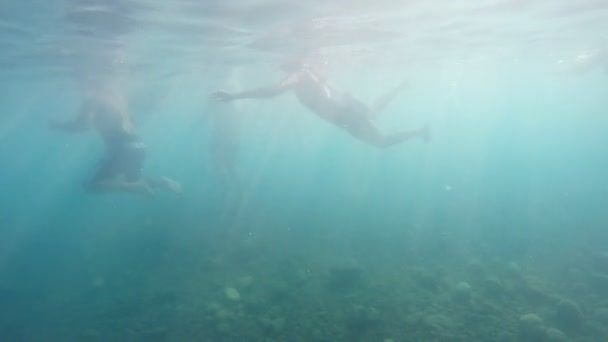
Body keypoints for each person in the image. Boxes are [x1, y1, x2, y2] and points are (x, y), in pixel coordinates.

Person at [210, 52, 429, 148]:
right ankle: (401, 90)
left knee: (381, 141)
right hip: (345, 109)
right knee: (372, 114)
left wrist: (235, 96)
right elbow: (325, 89)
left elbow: (273, 92)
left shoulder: (298, 75)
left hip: (344, 114)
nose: (279, 64)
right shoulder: (308, 71)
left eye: (282, 60)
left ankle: (419, 130)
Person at [49, 86, 182, 197]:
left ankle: (135, 187)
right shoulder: (117, 96)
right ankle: (163, 183)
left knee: (92, 185)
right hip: (138, 145)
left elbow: (82, 126)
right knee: (132, 180)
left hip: (123, 148)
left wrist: (57, 126)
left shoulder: (92, 97)